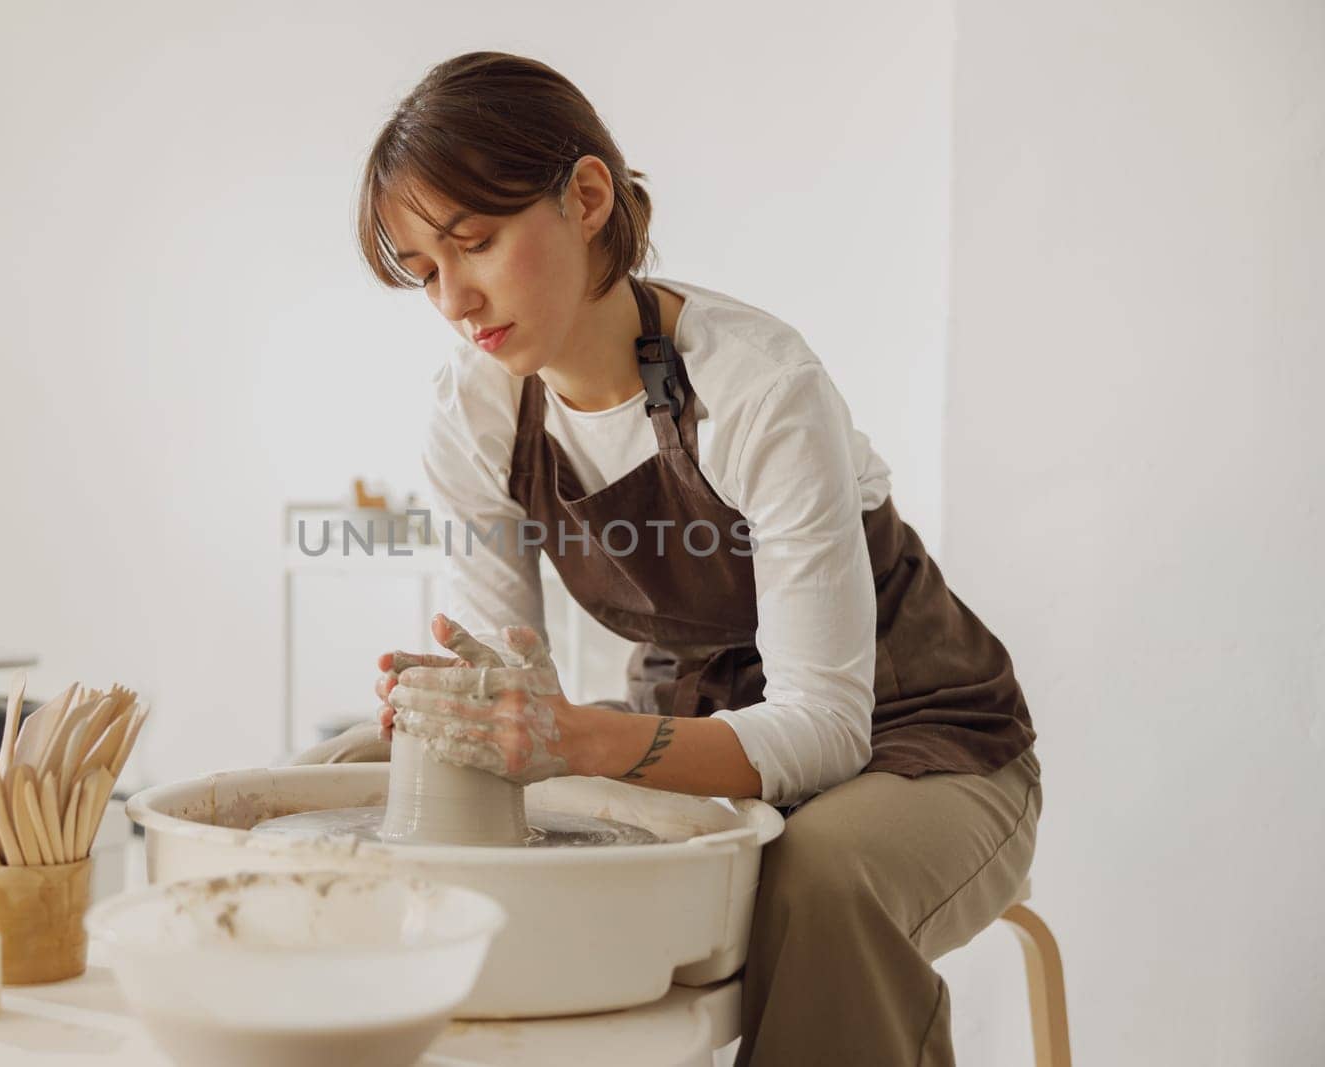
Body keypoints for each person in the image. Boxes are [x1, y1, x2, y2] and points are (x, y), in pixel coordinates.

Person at [295, 51, 1041, 1066]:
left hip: (920, 740)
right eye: (426, 273)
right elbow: (514, 678)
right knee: (332, 779)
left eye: (475, 243)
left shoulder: (759, 387)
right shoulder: (470, 407)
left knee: (815, 874)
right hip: (696, 731)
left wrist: (578, 741)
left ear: (587, 195)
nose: (455, 302)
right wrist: (465, 709)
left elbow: (822, 727)